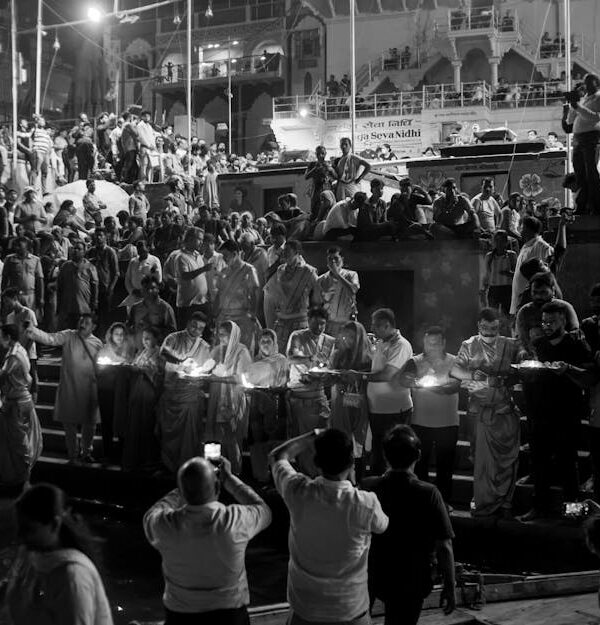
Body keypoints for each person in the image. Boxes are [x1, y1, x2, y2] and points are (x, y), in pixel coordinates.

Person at [269, 429, 389, 625]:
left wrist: (313, 435)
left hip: (305, 610)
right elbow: (382, 526)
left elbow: (277, 456)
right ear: (351, 461)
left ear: (317, 462)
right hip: (350, 611)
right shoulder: (365, 503)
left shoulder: (297, 491)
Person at [143, 456, 271, 625]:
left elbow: (151, 514)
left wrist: (184, 488)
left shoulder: (165, 525)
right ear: (217, 487)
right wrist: (230, 480)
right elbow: (263, 509)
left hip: (180, 618)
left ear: (183, 491)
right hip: (230, 618)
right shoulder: (235, 520)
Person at [362, 425, 456, 625]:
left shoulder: (368, 487)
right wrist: (450, 585)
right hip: (412, 578)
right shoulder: (429, 493)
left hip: (373, 573)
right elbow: (444, 545)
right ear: (418, 456)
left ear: (385, 455)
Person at [519, 301, 595, 521]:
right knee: (539, 462)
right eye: (544, 322)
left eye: (552, 321)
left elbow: (589, 374)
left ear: (563, 320)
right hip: (540, 413)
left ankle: (573, 511)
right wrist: (526, 371)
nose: (547, 326)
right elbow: (531, 372)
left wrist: (568, 369)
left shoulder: (576, 344)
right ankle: (539, 507)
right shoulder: (539, 344)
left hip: (566, 413)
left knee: (567, 463)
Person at [4, 484, 113, 625]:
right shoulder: (30, 555)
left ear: (55, 524)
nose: (20, 536)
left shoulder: (73, 576)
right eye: (19, 527)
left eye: (29, 529)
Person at [450, 308, 521, 517]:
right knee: (481, 459)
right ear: (478, 325)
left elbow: (521, 370)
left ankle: (505, 501)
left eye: (493, 328)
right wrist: (476, 376)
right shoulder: (469, 345)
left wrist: (499, 379)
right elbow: (455, 371)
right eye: (485, 327)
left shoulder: (510, 345)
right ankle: (484, 498)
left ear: (500, 326)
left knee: (507, 459)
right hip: (479, 411)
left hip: (504, 411)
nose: (489, 331)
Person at [27, 313, 102, 463]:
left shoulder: (98, 344)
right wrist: (32, 330)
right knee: (69, 424)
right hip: (70, 387)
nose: (82, 324)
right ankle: (72, 454)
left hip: (89, 389)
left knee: (89, 423)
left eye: (86, 322)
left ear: (93, 327)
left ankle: (86, 452)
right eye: (81, 321)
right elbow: (50, 338)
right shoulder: (69, 335)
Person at [397, 326, 460, 505]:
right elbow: (403, 379)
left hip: (448, 423)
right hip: (421, 422)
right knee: (420, 465)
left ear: (443, 343)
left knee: (445, 467)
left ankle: (443, 502)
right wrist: (415, 381)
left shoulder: (454, 361)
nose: (432, 347)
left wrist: (439, 387)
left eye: (436, 343)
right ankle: (422, 502)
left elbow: (455, 385)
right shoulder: (415, 361)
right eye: (428, 343)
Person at [361, 308, 413, 475]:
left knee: (392, 455)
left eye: (376, 326)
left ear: (387, 325)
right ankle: (378, 485)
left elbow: (387, 374)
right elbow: (375, 366)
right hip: (377, 409)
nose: (372, 328)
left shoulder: (401, 345)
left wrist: (360, 377)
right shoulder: (381, 342)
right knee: (378, 452)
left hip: (394, 410)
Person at [158, 313, 211, 473]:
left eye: (200, 328)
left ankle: (187, 465)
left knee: (190, 433)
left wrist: (197, 372)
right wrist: (180, 365)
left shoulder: (204, 346)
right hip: (172, 392)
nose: (196, 330)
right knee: (168, 430)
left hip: (190, 394)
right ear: (188, 322)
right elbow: (162, 357)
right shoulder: (173, 338)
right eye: (194, 325)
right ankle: (168, 464)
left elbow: (205, 369)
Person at [286, 306, 335, 476]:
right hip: (300, 395)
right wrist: (309, 359)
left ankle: (320, 475)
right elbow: (291, 358)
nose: (319, 328)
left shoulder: (329, 341)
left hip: (319, 394)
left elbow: (331, 366)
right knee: (304, 441)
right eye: (315, 324)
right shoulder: (298, 336)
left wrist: (323, 375)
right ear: (308, 322)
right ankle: (307, 477)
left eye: (322, 324)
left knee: (322, 439)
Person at [205, 321, 253, 474]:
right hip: (216, 397)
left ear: (233, 335)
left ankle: (234, 474)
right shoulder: (217, 350)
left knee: (231, 437)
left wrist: (222, 377)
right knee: (215, 436)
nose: (221, 338)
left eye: (224, 335)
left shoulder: (241, 351)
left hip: (233, 398)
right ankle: (214, 472)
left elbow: (242, 377)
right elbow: (206, 367)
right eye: (219, 334)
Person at [0, 323, 42, 492]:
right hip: (21, 400)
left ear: (8, 337)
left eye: (1, 336)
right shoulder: (20, 349)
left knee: (19, 442)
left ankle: (24, 480)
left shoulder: (13, 356)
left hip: (17, 403)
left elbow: (2, 375)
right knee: (19, 440)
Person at [330, 321, 373, 480]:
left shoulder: (368, 358)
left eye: (352, 337)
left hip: (357, 403)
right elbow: (330, 376)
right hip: (339, 403)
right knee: (340, 441)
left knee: (357, 443)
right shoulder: (337, 355)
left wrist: (356, 376)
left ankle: (357, 481)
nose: (347, 340)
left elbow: (369, 380)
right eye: (345, 336)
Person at [246, 329, 289, 483]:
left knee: (275, 442)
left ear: (274, 343)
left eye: (268, 341)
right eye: (262, 341)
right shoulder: (254, 361)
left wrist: (273, 390)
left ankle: (277, 478)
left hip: (276, 402)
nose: (265, 344)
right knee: (258, 441)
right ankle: (261, 476)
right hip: (257, 403)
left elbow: (285, 382)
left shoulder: (281, 360)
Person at [123, 326, 163, 472]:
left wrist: (144, 370)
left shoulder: (159, 353)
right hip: (138, 391)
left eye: (148, 338)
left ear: (156, 339)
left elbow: (159, 373)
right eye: (143, 338)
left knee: (147, 423)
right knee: (135, 423)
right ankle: (135, 458)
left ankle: (149, 459)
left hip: (148, 392)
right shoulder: (142, 352)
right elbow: (136, 365)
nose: (144, 341)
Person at [272, 239, 320, 353]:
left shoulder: (309, 271)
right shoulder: (280, 269)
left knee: (298, 354)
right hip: (282, 321)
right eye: (284, 251)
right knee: (280, 355)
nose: (284, 254)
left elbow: (318, 296)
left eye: (287, 251)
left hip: (299, 321)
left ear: (297, 252)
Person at [515, 272, 579, 355]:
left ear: (553, 290)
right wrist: (523, 351)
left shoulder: (565, 308)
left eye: (543, 292)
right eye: (535, 292)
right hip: (535, 356)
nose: (538, 296)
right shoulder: (525, 312)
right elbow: (521, 339)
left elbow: (575, 334)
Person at [215, 240, 260, 352]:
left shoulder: (249, 270)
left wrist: (253, 315)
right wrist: (215, 315)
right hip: (224, 317)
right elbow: (219, 294)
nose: (224, 259)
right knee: (223, 352)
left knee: (242, 352)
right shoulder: (224, 271)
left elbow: (254, 295)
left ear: (235, 254)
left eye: (226, 255)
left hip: (242, 318)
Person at [96, 322, 132, 461]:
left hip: (123, 391)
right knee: (107, 421)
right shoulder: (104, 350)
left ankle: (122, 452)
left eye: (122, 334)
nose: (119, 337)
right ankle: (107, 452)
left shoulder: (129, 350)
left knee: (123, 420)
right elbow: (98, 368)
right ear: (111, 335)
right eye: (116, 334)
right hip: (107, 390)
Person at [565, 72, 600, 214]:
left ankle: (595, 205)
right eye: (585, 82)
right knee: (579, 173)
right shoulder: (584, 98)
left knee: (590, 172)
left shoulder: (598, 97)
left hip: (591, 137)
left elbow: (595, 117)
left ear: (596, 83)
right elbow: (570, 120)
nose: (586, 85)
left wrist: (577, 106)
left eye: (589, 82)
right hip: (578, 138)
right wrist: (572, 105)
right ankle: (582, 205)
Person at [510, 216, 554, 314]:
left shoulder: (541, 246)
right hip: (521, 299)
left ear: (528, 229)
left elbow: (549, 271)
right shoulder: (526, 246)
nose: (519, 230)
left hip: (532, 301)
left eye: (521, 227)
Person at [317, 246, 360, 337]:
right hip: (329, 324)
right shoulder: (321, 279)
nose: (333, 261)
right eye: (330, 259)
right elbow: (317, 302)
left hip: (347, 323)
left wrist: (337, 275)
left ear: (342, 260)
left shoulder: (351, 275)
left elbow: (353, 290)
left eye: (336, 258)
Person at [57, 241, 99, 329]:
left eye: (79, 249)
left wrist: (94, 304)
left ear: (84, 252)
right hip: (68, 308)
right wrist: (59, 306)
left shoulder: (90, 267)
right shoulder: (65, 266)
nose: (75, 250)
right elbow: (60, 287)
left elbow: (95, 286)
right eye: (74, 248)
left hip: (83, 308)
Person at [128, 275, 176, 350]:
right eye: (146, 288)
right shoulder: (135, 308)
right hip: (138, 352)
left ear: (158, 289)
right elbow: (129, 327)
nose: (150, 291)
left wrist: (153, 329)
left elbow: (172, 334)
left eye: (153, 288)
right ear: (142, 290)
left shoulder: (165, 308)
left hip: (158, 352)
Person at [175, 227, 211, 328]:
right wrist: (203, 269)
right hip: (188, 305)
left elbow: (202, 277)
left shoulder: (198, 255)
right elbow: (185, 276)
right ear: (190, 239)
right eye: (199, 239)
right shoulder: (181, 257)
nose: (201, 242)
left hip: (202, 302)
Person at [2, 236, 44, 314]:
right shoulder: (9, 259)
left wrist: (41, 297)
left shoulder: (35, 260)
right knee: (13, 317)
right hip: (14, 296)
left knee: (29, 316)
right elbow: (5, 278)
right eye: (15, 245)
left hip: (29, 295)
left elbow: (39, 280)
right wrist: (4, 294)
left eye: (19, 245)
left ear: (26, 246)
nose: (16, 247)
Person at [87, 227, 119, 332]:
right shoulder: (90, 251)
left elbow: (116, 273)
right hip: (92, 288)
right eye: (96, 235)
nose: (98, 238)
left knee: (105, 315)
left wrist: (111, 288)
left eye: (101, 235)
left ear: (105, 237)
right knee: (93, 315)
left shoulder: (110, 252)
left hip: (105, 288)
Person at [482, 229, 517, 315]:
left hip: (507, 289)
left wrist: (509, 274)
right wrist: (483, 290)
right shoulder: (489, 256)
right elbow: (486, 274)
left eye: (502, 240)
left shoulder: (511, 255)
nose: (499, 243)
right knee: (493, 315)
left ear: (506, 242)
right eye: (497, 240)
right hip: (493, 290)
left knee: (507, 315)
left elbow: (517, 275)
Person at [123, 240, 162, 308]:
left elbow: (158, 279)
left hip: (149, 296)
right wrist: (132, 291)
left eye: (142, 250)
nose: (140, 252)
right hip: (134, 296)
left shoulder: (154, 260)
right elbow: (127, 279)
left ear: (148, 248)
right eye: (139, 250)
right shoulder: (133, 261)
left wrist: (146, 292)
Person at [305, 145, 337, 219]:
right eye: (318, 154)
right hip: (316, 190)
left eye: (322, 153)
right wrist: (315, 168)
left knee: (328, 210)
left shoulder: (329, 164)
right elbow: (306, 177)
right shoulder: (312, 164)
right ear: (315, 154)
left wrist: (330, 169)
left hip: (327, 188)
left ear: (325, 153)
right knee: (315, 210)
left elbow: (336, 177)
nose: (320, 156)